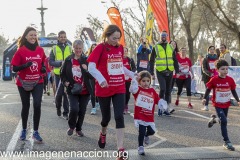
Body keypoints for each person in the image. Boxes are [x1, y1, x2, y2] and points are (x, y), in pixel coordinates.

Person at [87, 24, 135, 158]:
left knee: (119, 116)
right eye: (114, 38)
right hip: (104, 89)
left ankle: (120, 148)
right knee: (106, 118)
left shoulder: (120, 48)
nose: (116, 41)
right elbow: (91, 67)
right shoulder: (100, 48)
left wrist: (131, 74)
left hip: (119, 86)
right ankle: (103, 132)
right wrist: (101, 79)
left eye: (118, 38)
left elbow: (120, 67)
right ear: (107, 36)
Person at [11, 26, 46, 143]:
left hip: (37, 82)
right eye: (31, 35)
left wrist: (43, 68)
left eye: (35, 35)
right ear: (26, 36)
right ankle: (24, 130)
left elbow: (43, 63)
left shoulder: (40, 50)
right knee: (25, 106)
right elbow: (14, 68)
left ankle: (35, 132)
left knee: (37, 104)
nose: (33, 37)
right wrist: (25, 65)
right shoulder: (20, 51)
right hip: (23, 82)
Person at [202, 59, 240, 151]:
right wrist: (204, 98)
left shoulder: (230, 80)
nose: (225, 71)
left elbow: (233, 91)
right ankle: (226, 141)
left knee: (223, 121)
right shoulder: (214, 79)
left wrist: (238, 100)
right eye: (223, 69)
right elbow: (208, 89)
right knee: (224, 120)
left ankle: (214, 119)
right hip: (217, 104)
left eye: (227, 69)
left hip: (226, 104)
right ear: (217, 70)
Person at [129, 71, 167, 155]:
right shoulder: (138, 90)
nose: (146, 83)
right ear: (139, 81)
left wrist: (162, 104)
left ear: (150, 81)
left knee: (152, 131)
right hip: (140, 116)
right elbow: (132, 89)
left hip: (149, 117)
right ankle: (140, 147)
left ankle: (146, 135)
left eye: (147, 81)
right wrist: (134, 79)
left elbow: (157, 100)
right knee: (141, 131)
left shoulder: (152, 91)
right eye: (143, 81)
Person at [60, 40, 92, 137]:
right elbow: (62, 74)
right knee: (74, 109)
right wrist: (65, 82)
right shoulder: (68, 60)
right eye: (76, 48)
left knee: (82, 110)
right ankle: (71, 126)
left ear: (83, 49)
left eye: (80, 48)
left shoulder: (86, 60)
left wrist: (86, 70)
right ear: (73, 48)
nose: (78, 50)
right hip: (72, 89)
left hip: (85, 90)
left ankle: (79, 129)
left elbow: (92, 76)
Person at [149, 31, 179, 116]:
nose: (163, 37)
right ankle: (160, 107)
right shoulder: (156, 47)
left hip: (169, 71)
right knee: (162, 89)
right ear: (160, 37)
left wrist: (177, 71)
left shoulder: (170, 47)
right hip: (160, 71)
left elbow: (175, 60)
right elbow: (151, 61)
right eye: (162, 36)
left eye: (165, 36)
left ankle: (165, 109)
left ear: (167, 37)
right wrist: (151, 72)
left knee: (168, 91)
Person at [49, 31, 71, 120]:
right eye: (61, 37)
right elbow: (51, 61)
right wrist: (59, 63)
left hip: (68, 74)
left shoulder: (70, 48)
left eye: (64, 37)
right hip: (58, 74)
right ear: (58, 38)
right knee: (59, 94)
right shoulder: (54, 48)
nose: (63, 38)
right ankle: (58, 107)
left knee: (66, 93)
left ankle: (66, 112)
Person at [201, 45, 218, 111]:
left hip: (216, 76)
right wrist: (210, 73)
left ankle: (217, 105)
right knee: (207, 91)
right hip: (207, 77)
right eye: (211, 49)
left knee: (216, 91)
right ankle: (206, 105)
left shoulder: (216, 58)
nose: (212, 50)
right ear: (208, 50)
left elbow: (218, 66)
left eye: (213, 49)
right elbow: (204, 68)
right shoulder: (205, 58)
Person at [87, 43, 100, 115]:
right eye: (93, 47)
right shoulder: (88, 57)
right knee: (92, 92)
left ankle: (97, 102)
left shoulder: (100, 56)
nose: (94, 49)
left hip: (98, 76)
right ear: (91, 49)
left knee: (97, 91)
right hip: (91, 77)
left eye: (95, 47)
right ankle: (93, 107)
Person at [123, 47, 136, 114]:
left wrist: (130, 73)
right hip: (121, 79)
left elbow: (134, 68)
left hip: (128, 79)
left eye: (126, 51)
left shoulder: (130, 60)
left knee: (128, 94)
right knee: (122, 93)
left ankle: (126, 105)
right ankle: (122, 106)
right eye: (123, 51)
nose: (124, 52)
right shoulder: (119, 59)